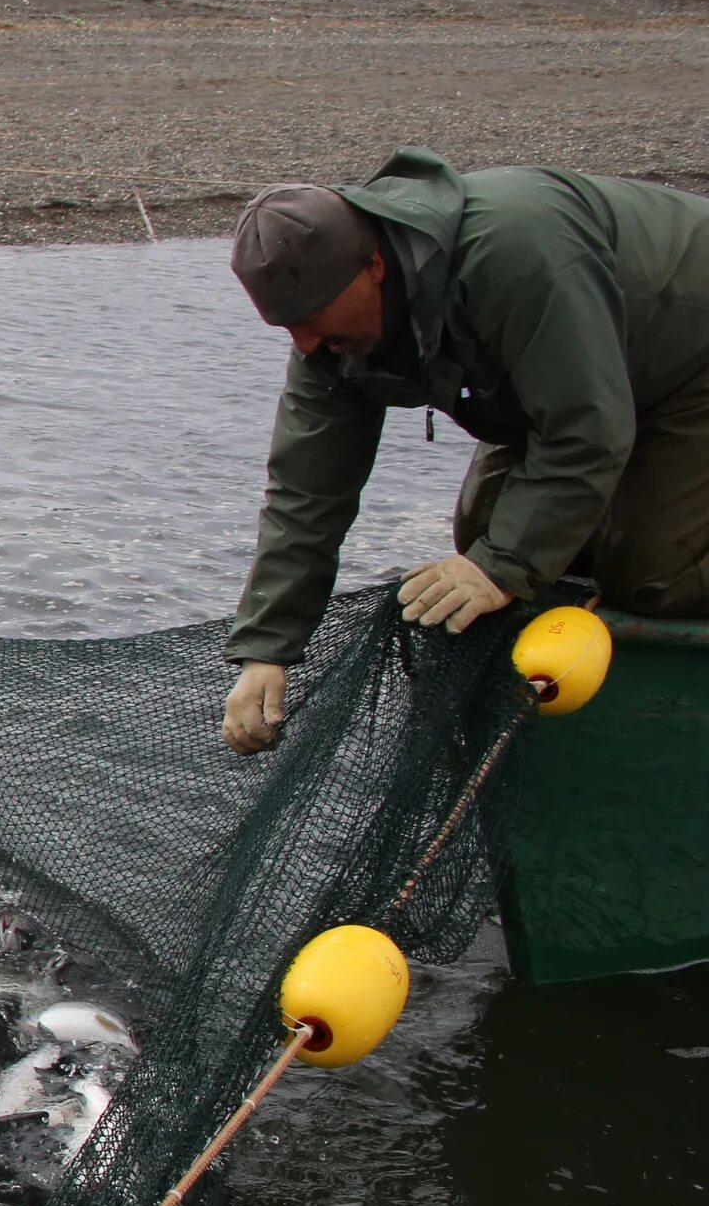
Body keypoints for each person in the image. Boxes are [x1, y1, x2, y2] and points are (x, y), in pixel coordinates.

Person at [220, 150, 709, 754]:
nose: (305, 342)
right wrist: (267, 649)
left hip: (692, 363)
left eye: (312, 318)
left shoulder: (514, 255)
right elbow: (306, 490)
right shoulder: (330, 337)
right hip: (594, 377)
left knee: (654, 575)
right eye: (287, 327)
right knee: (482, 534)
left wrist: (502, 564)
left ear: (373, 265)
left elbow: (586, 431)